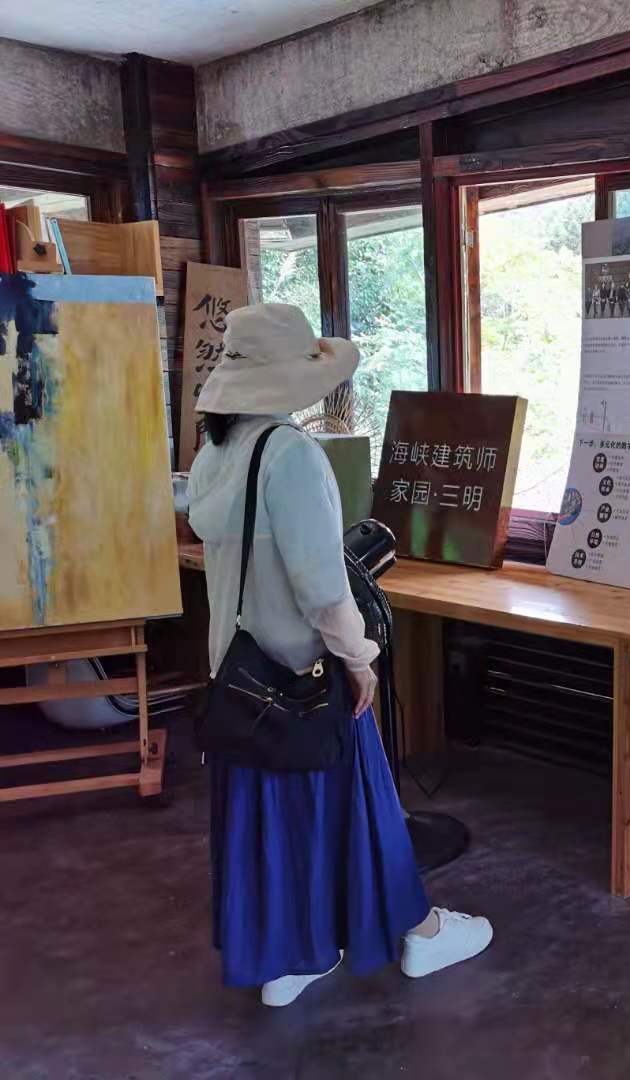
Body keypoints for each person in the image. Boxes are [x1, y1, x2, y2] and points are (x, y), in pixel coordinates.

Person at [188, 304, 492, 1008]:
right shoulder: (290, 455)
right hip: (307, 676)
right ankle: (420, 932)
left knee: (271, 825)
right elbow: (322, 584)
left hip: (240, 680)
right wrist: (359, 657)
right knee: (362, 813)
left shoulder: (215, 456)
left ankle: (288, 958)